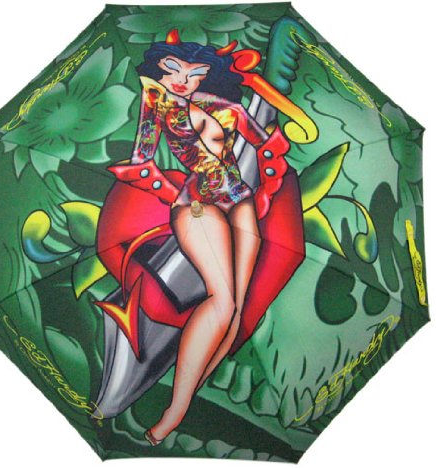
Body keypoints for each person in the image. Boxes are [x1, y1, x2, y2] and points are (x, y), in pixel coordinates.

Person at [94, 29, 310, 446]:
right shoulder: (157, 104)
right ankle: (174, 413)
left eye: (194, 74)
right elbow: (141, 161)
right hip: (198, 206)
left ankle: (185, 399)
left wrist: (276, 125)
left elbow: (260, 139)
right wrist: (172, 193)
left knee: (236, 311)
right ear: (159, 69)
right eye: (173, 70)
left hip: (241, 202)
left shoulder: (220, 106)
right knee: (221, 301)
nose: (183, 81)